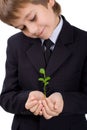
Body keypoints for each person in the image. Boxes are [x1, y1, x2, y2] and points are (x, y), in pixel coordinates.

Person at [0, 0, 87, 130]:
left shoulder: (83, 42)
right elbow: (6, 97)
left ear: (49, 1)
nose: (32, 30)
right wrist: (25, 100)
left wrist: (65, 102)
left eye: (32, 18)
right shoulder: (15, 44)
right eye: (22, 27)